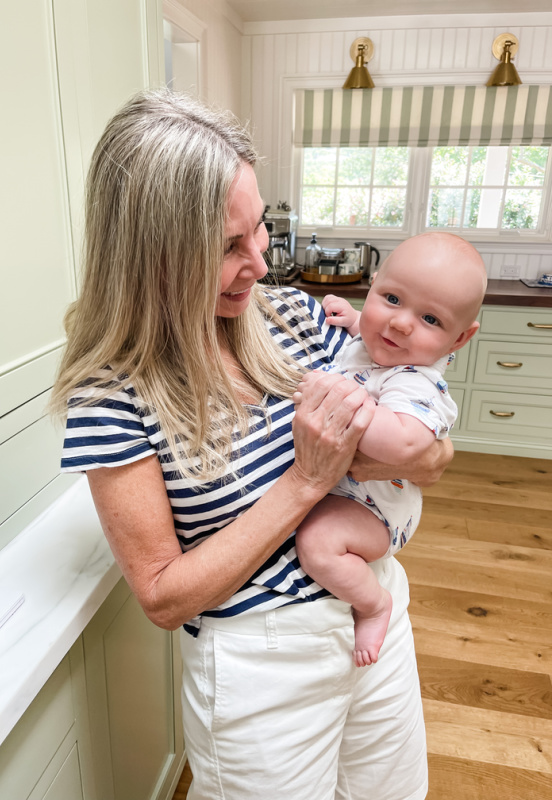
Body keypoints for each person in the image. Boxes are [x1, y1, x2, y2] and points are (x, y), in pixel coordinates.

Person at [51, 89, 453, 800]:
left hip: (375, 609)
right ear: (151, 258)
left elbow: (423, 433)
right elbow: (163, 597)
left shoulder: (294, 317)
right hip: (262, 665)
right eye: (227, 248)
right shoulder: (110, 396)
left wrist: (429, 453)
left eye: (259, 227)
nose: (261, 264)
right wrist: (305, 483)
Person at [294, 233, 487, 671]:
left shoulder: (416, 381)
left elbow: (402, 442)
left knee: (317, 543)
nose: (399, 324)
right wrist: (356, 320)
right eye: (392, 298)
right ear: (373, 285)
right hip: (349, 494)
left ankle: (374, 604)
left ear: (460, 338)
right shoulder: (378, 345)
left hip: (375, 510)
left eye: (431, 319)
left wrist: (333, 398)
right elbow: (374, 340)